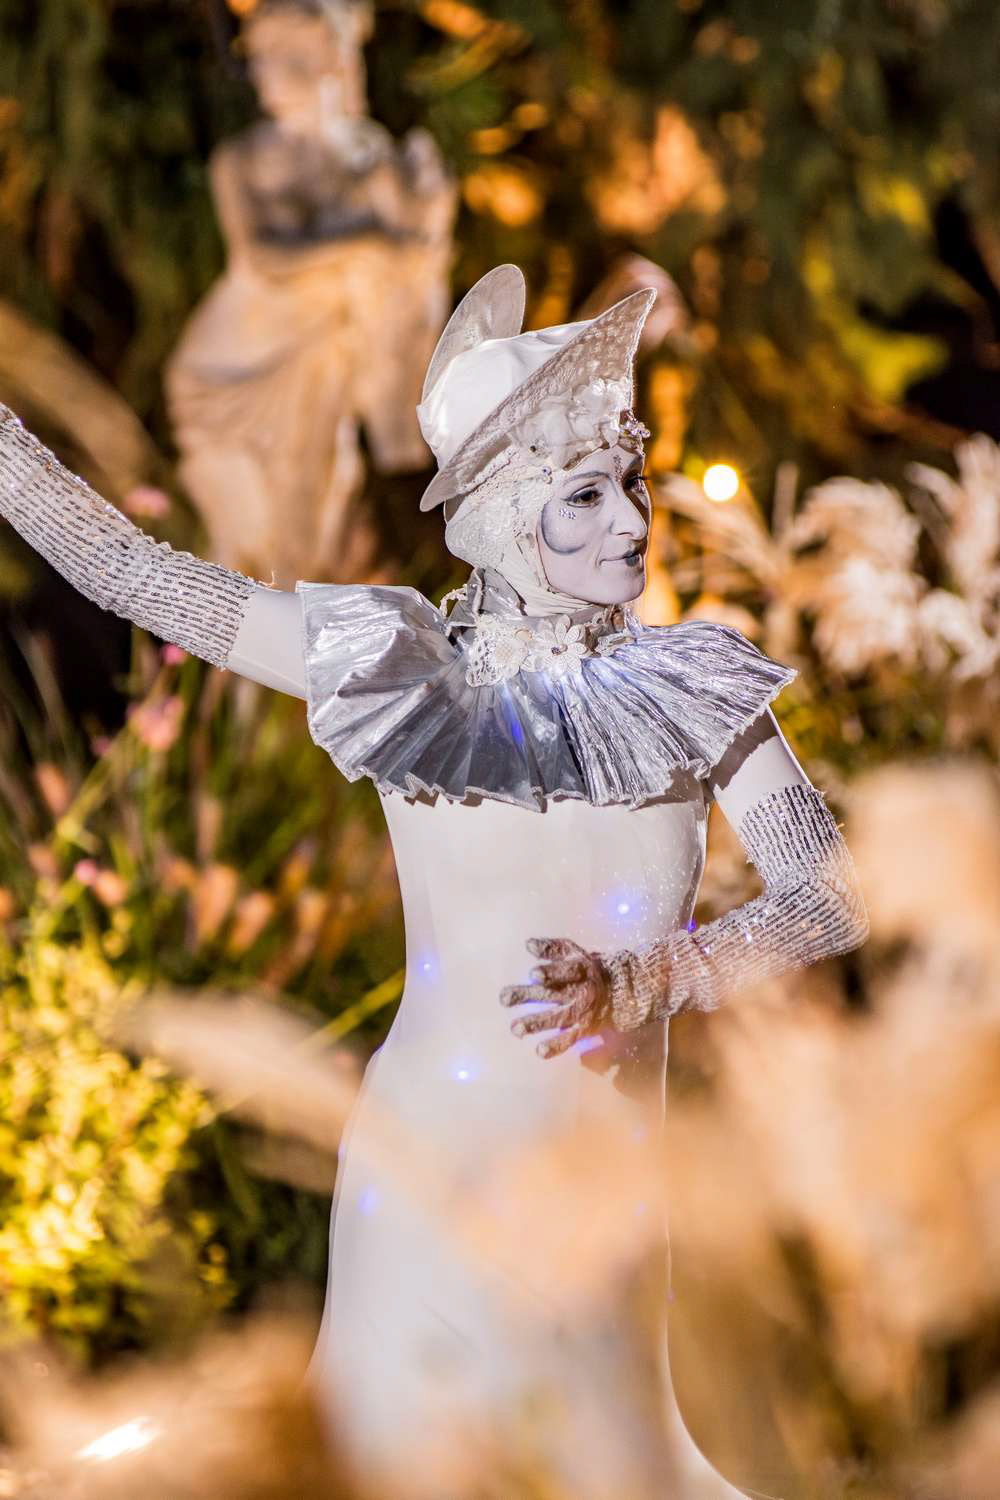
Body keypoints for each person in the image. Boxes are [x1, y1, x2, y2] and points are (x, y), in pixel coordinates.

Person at [0, 264, 868, 1500]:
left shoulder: (697, 692)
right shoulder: (394, 667)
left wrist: (654, 976)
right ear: (506, 515)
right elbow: (132, 574)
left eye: (629, 481)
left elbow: (829, 895)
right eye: (584, 494)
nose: (631, 521)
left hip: (603, 1199)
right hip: (427, 1172)